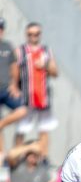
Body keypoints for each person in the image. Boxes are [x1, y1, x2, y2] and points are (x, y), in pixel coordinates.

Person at [15, 22, 58, 158]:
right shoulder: (20, 50)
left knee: (44, 130)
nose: (33, 36)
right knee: (21, 129)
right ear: (26, 35)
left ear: (40, 34)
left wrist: (45, 65)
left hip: (43, 97)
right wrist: (15, 89)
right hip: (26, 97)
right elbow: (14, 71)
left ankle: (43, 158)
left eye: (36, 34)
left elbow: (55, 72)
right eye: (30, 34)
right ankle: (17, 157)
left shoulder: (46, 51)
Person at [0, 17, 26, 155]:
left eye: (1, 28)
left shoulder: (7, 46)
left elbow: (14, 67)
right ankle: (1, 156)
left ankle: (2, 123)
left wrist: (14, 85)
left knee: (22, 109)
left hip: (6, 89)